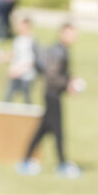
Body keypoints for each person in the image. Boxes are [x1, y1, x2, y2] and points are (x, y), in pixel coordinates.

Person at [17, 22, 84, 177]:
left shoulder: (62, 50)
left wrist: (69, 80)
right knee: (57, 131)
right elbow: (52, 75)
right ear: (63, 34)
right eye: (71, 34)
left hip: (53, 94)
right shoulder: (59, 51)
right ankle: (62, 164)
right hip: (52, 94)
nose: (74, 37)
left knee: (43, 129)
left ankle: (26, 159)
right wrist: (68, 84)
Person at [3, 13, 40, 102]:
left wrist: (19, 70)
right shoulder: (18, 39)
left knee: (27, 99)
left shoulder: (32, 41)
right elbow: (17, 54)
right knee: (8, 97)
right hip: (15, 73)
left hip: (26, 75)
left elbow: (32, 60)